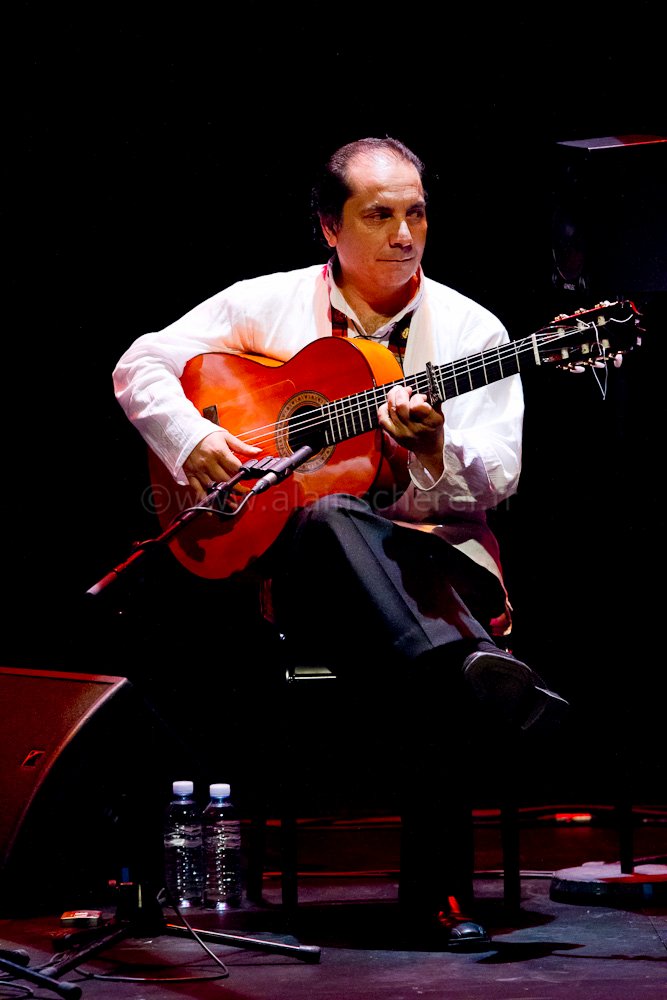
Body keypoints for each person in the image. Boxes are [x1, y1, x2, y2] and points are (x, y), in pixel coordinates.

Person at [112, 136, 567, 950]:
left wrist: (432, 453)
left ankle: (448, 669)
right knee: (326, 518)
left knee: (362, 557)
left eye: (416, 213)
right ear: (329, 225)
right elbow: (140, 363)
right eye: (379, 215)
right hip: (310, 583)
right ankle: (447, 847)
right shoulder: (266, 303)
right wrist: (191, 438)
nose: (404, 234)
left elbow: (498, 479)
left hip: (441, 568)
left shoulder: (473, 330)